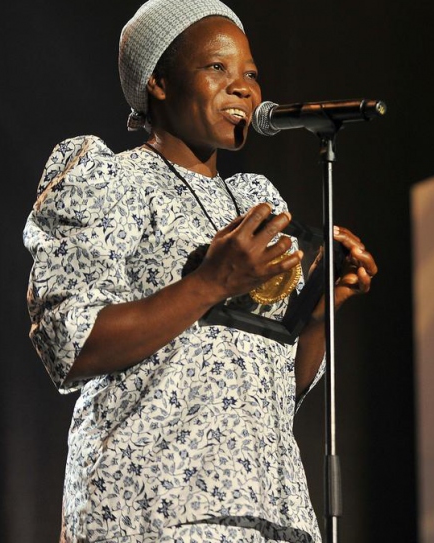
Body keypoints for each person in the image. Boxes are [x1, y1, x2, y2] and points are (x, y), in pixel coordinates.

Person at [22, 1, 378, 541]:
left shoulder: (256, 202)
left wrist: (319, 308)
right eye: (218, 68)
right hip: (153, 510)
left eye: (251, 74)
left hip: (269, 514)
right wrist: (210, 284)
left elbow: (282, 384)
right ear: (159, 82)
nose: (243, 88)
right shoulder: (110, 181)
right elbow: (69, 346)